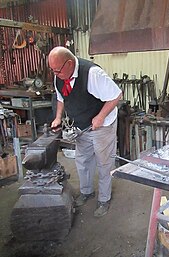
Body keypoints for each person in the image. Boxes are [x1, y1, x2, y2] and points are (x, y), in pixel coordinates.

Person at [48, 46, 122, 217]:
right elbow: (61, 98)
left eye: (57, 70)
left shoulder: (92, 73)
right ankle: (87, 192)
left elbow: (116, 95)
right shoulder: (58, 76)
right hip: (82, 126)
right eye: (52, 70)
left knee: (104, 163)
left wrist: (101, 116)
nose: (55, 73)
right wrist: (58, 118)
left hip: (102, 126)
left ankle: (104, 199)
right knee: (83, 161)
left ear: (69, 63)